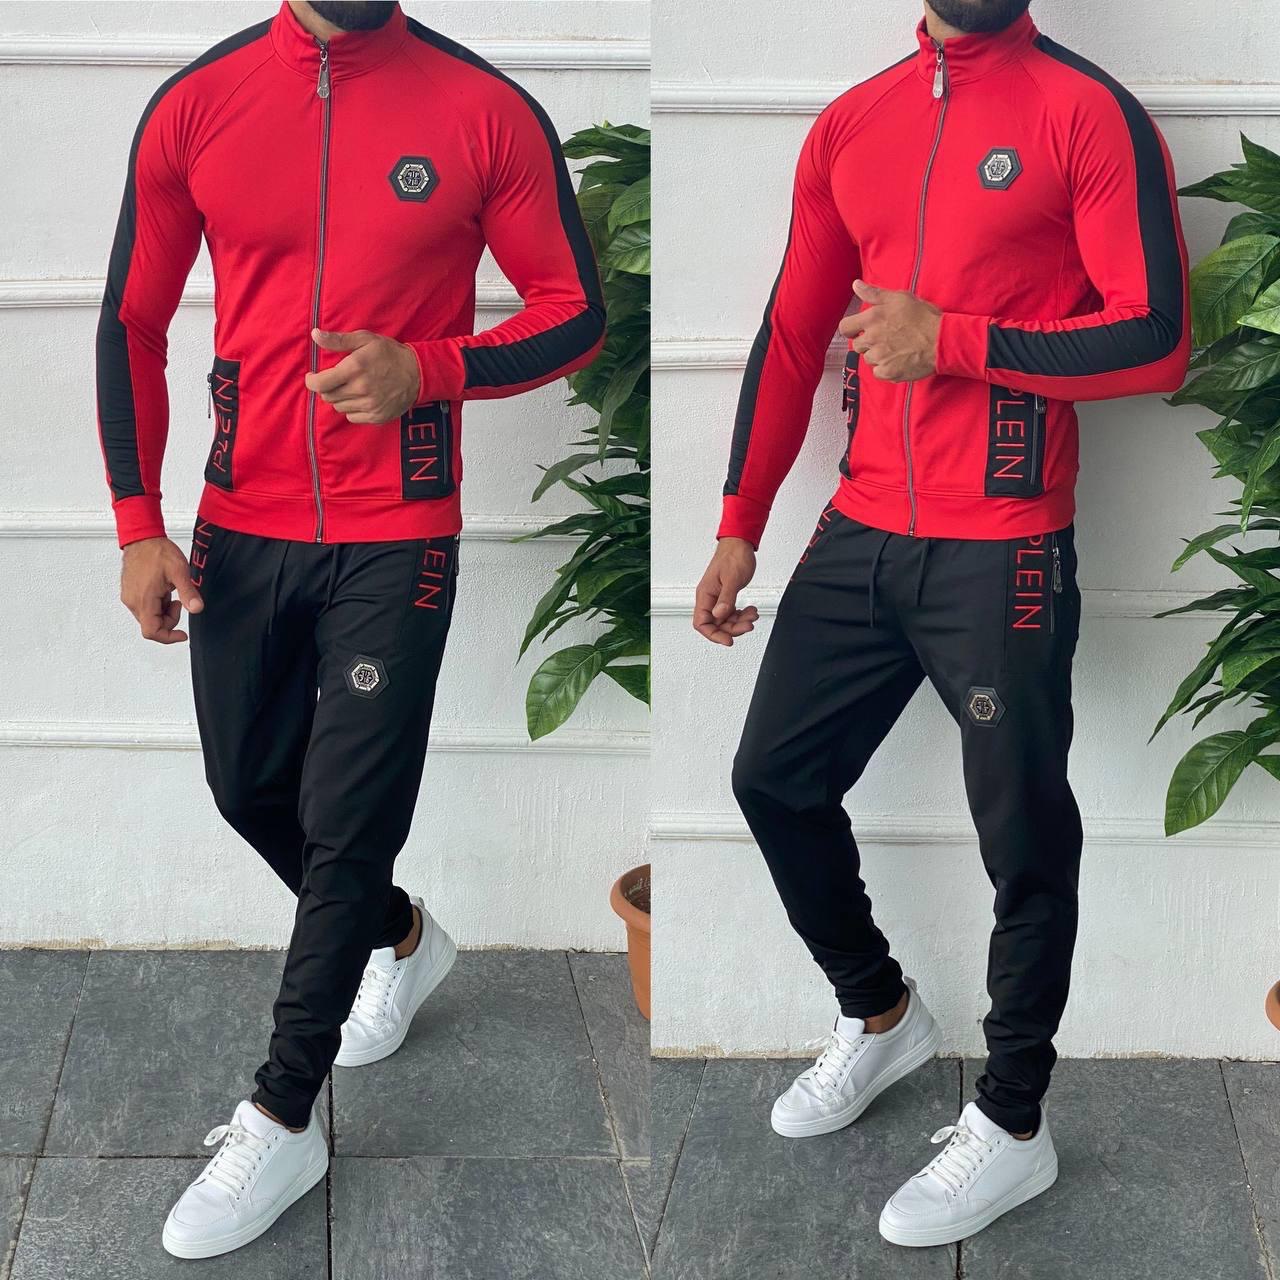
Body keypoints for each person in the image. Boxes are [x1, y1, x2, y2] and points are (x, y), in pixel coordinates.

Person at [95, 0, 603, 1257]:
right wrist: (136, 521)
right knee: (244, 786)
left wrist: (431, 366)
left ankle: (282, 1113)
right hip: (240, 519)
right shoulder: (196, 104)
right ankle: (398, 935)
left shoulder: (483, 110)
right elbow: (132, 323)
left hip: (397, 527)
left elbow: (572, 309)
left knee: (344, 822)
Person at [693, 0, 1189, 1248]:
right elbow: (793, 331)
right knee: (770, 778)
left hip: (1003, 537)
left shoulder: (1086, 113)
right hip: (859, 527)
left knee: (1020, 831)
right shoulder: (849, 124)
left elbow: (1153, 343)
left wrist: (953, 340)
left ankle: (1013, 1120)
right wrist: (739, 519)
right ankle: (878, 1011)